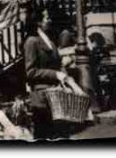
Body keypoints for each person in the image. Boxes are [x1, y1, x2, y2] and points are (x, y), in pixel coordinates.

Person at [24, 8, 73, 140]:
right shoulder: (31, 42)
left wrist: (64, 71)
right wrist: (55, 74)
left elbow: (56, 64)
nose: (49, 20)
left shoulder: (50, 41)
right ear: (38, 22)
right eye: (47, 18)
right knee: (43, 135)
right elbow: (31, 72)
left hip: (56, 95)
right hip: (41, 98)